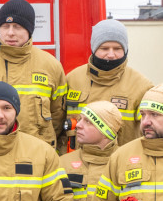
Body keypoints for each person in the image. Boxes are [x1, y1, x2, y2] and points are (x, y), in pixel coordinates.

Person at [0, 0, 67, 148]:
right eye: (5, 26)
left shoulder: (50, 65)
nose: (10, 33)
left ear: (29, 30)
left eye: (17, 27)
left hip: (36, 152)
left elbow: (58, 115)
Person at [63, 19, 153, 152]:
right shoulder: (72, 79)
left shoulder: (141, 86)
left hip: (121, 165)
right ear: (93, 48)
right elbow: (56, 125)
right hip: (77, 165)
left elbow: (151, 132)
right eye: (104, 48)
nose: (111, 55)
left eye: (117, 49)